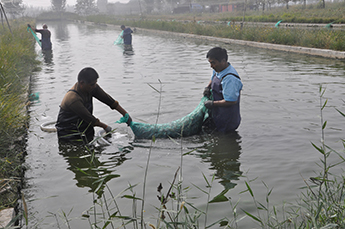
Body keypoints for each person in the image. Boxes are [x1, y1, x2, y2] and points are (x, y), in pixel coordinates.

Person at [56, 67, 132, 143]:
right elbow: (90, 119)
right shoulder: (73, 99)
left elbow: (109, 101)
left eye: (95, 83)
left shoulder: (92, 87)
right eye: (92, 84)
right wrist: (105, 127)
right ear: (82, 83)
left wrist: (125, 114)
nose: (95, 86)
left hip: (85, 127)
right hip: (68, 133)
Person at [203, 47, 243, 133]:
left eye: (213, 63)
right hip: (218, 114)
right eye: (210, 63)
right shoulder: (218, 69)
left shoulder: (230, 79)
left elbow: (231, 101)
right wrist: (208, 87)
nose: (211, 66)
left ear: (223, 61)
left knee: (226, 139)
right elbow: (213, 77)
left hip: (227, 119)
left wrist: (212, 103)